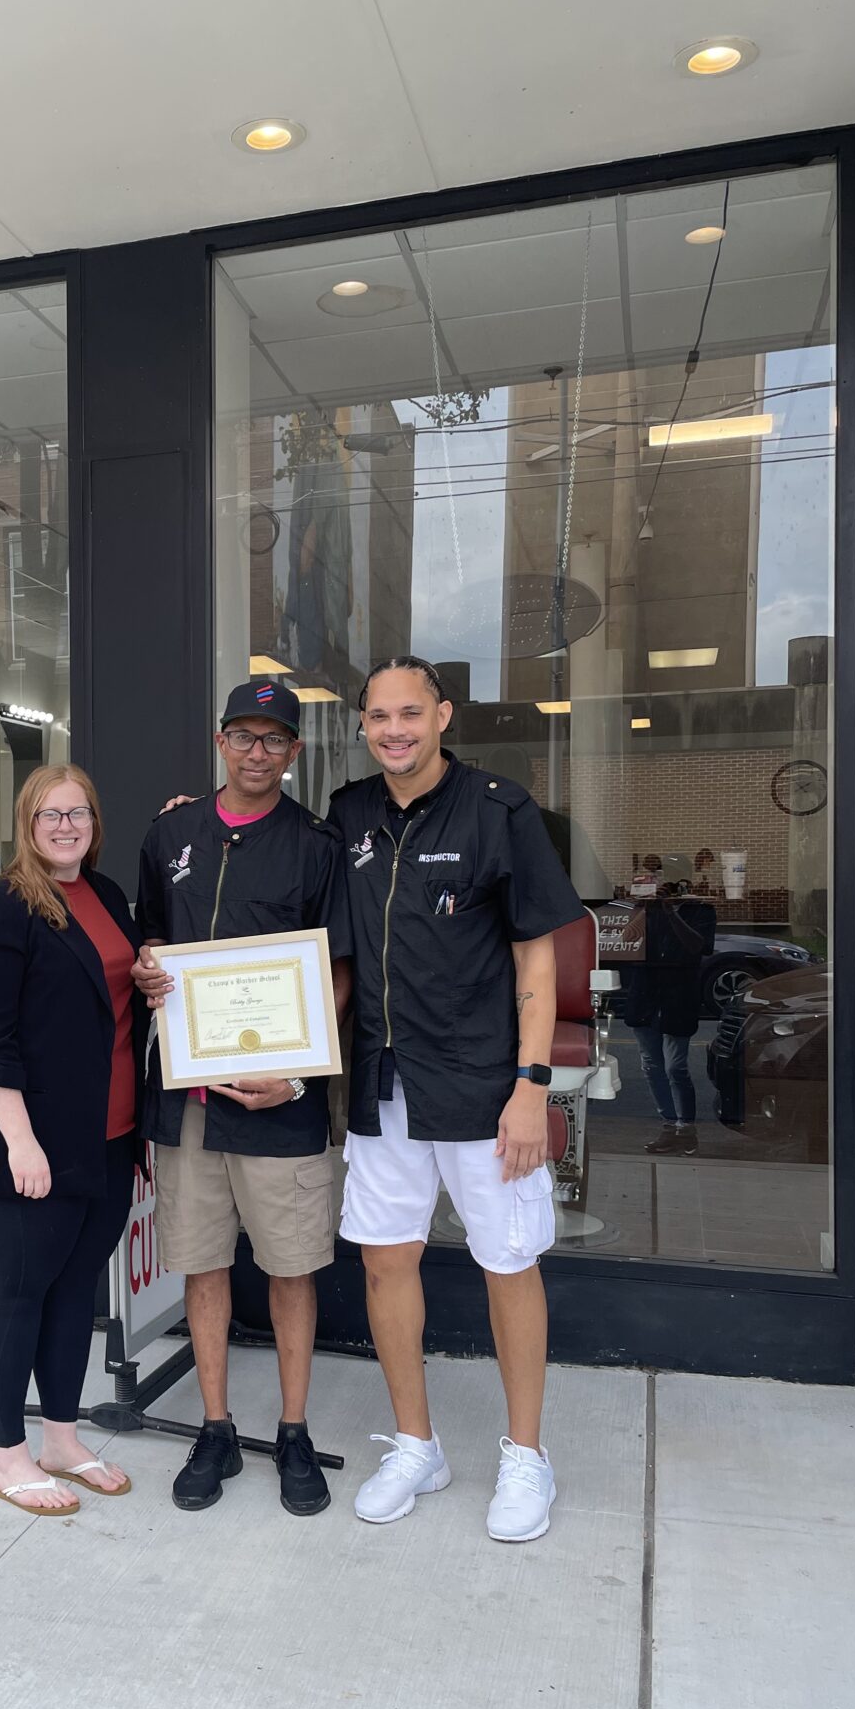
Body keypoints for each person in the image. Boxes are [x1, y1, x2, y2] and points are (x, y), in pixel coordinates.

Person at [329, 658, 585, 1544]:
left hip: (483, 1089)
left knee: (508, 1264)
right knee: (384, 1262)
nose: (394, 729)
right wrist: (194, 818)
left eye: (411, 713)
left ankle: (526, 1456)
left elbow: (536, 961)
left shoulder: (498, 809)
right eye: (378, 716)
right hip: (383, 1085)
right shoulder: (351, 813)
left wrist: (531, 1084)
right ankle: (416, 1444)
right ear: (361, 725)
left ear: (442, 715)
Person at [132, 681, 353, 1517]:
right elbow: (149, 938)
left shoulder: (317, 847)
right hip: (191, 1099)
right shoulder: (171, 834)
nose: (256, 751)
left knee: (293, 1270)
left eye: (274, 739)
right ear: (219, 740)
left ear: (294, 752)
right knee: (203, 1264)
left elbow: (338, 972)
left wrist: (296, 1071)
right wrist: (149, 965)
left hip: (283, 1104)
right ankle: (216, 1427)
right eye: (243, 735)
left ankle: (293, 1430)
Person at [0, 764, 146, 1515]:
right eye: (49, 815)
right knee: (20, 1292)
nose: (66, 827)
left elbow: (111, 996)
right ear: (26, 825)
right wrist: (20, 1145)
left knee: (74, 1293)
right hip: (32, 1144)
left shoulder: (105, 897)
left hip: (110, 1135)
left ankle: (61, 1438)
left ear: (95, 823)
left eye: (79, 814)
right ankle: (8, 1455)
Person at [618, 891, 715, 1155]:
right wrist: (641, 910)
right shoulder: (649, 910)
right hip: (646, 993)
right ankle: (669, 1125)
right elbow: (627, 939)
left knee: (676, 1067)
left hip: (678, 994)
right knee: (651, 1065)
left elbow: (699, 946)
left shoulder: (701, 910)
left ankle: (687, 1127)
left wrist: (672, 913)